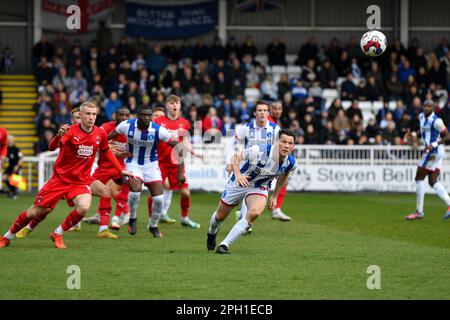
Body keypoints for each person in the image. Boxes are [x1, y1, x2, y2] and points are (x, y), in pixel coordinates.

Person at [0, 101, 135, 249]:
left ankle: (58, 233)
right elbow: (52, 148)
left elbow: (106, 152)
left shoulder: (100, 133)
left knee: (84, 207)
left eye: (94, 114)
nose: (91, 117)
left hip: (81, 181)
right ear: (81, 115)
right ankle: (7, 237)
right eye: (88, 114)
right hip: (60, 179)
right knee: (35, 212)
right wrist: (58, 136)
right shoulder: (71, 131)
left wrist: (120, 170)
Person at [207, 129, 297, 254]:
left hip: (260, 187)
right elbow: (235, 157)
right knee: (219, 216)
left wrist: (275, 196)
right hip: (240, 182)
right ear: (277, 141)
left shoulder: (291, 163)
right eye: (283, 142)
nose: (286, 146)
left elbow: (284, 177)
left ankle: (224, 245)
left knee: (254, 213)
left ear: (293, 146)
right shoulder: (260, 151)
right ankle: (212, 232)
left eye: (290, 143)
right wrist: (238, 175)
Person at [109, 104, 185, 238]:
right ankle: (132, 218)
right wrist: (108, 150)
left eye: (148, 115)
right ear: (137, 116)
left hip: (151, 165)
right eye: (143, 115)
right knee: (135, 192)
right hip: (133, 164)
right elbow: (107, 138)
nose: (146, 118)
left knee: (159, 199)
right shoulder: (126, 125)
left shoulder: (158, 130)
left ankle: (153, 226)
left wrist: (180, 172)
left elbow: (179, 147)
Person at [147, 95, 203, 229]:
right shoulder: (158, 121)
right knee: (154, 192)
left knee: (185, 193)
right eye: (172, 103)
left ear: (180, 105)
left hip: (177, 163)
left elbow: (184, 141)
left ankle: (185, 218)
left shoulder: (184, 122)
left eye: (177, 103)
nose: (174, 106)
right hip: (159, 162)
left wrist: (194, 151)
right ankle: (151, 221)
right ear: (167, 105)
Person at [227, 101, 282, 225]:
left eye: (265, 110)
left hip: (265, 168)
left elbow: (278, 148)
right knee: (243, 192)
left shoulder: (275, 129)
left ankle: (243, 217)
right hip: (247, 166)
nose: (262, 113)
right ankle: (241, 216)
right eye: (260, 110)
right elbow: (230, 142)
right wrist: (229, 162)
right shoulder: (246, 128)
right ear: (254, 113)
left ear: (268, 113)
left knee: (253, 192)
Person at [88, 107, 132, 238]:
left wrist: (122, 153)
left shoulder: (131, 131)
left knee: (130, 182)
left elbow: (132, 151)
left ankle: (112, 221)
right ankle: (125, 211)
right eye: (121, 115)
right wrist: (106, 148)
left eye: (126, 116)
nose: (124, 118)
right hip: (103, 168)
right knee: (86, 192)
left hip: (119, 167)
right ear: (115, 116)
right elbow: (96, 141)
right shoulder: (106, 127)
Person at [405, 100, 450, 221]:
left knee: (418, 178)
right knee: (432, 181)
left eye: (429, 106)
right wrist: (413, 135)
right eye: (425, 105)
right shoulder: (421, 116)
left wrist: (433, 144)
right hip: (435, 152)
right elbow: (423, 131)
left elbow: (447, 136)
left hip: (433, 152)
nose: (426, 107)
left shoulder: (437, 120)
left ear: (433, 108)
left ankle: (419, 212)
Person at [267, 101, 293, 221]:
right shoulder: (268, 122)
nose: (277, 111)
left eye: (279, 109)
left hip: (275, 157)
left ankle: (276, 209)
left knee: (284, 178)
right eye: (275, 109)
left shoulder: (276, 123)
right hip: (266, 157)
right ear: (270, 110)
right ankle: (243, 213)